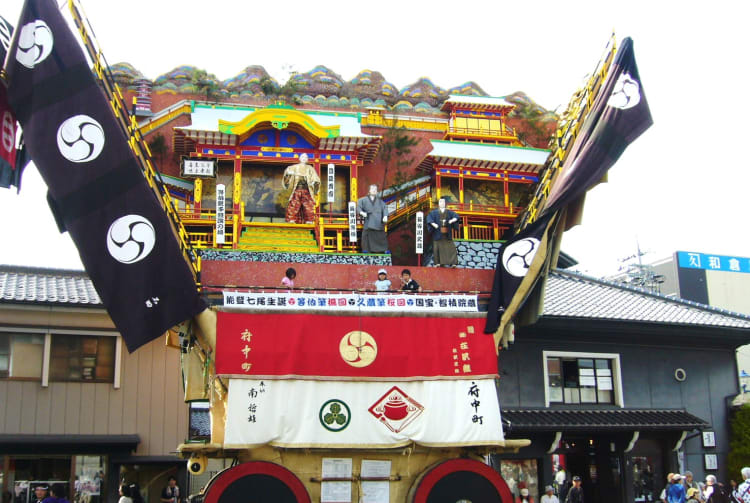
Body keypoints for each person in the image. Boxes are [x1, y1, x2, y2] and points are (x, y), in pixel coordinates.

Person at [282, 153, 320, 224]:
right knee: (294, 204)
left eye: (306, 157)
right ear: (299, 158)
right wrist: (288, 174)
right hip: (296, 189)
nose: (304, 158)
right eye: (302, 157)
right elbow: (287, 177)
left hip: (307, 190)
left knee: (308, 205)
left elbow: (315, 179)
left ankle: (309, 220)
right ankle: (291, 219)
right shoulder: (293, 167)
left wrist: (314, 182)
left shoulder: (310, 168)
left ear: (307, 159)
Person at [426, 197, 460, 267]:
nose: (442, 203)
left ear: (445, 204)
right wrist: (433, 224)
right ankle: (439, 263)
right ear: (438, 203)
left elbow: (456, 216)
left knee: (451, 248)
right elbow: (429, 219)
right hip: (437, 233)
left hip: (447, 233)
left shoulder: (449, 212)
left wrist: (452, 220)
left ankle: (453, 263)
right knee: (437, 248)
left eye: (443, 202)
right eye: (441, 202)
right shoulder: (433, 213)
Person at [357, 184, 388, 253]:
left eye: (375, 189)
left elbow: (385, 208)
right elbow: (358, 207)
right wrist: (362, 212)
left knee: (381, 236)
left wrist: (385, 216)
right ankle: (365, 250)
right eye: (372, 189)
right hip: (369, 221)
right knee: (366, 236)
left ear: (377, 192)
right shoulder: (362, 200)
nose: (374, 190)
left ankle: (383, 250)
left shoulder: (380, 202)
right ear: (369, 191)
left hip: (378, 222)